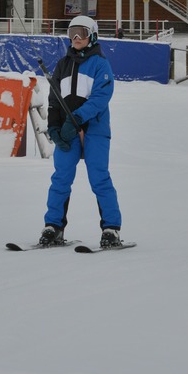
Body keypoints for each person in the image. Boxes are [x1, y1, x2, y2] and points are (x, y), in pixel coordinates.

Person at [40, 15, 123, 249]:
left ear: (92, 35)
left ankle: (111, 229)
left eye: (82, 32)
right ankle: (53, 226)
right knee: (61, 177)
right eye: (72, 32)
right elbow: (54, 98)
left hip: (94, 128)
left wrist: (76, 118)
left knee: (99, 178)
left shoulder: (100, 64)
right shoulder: (62, 65)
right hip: (68, 130)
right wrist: (55, 126)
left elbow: (100, 98)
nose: (76, 38)